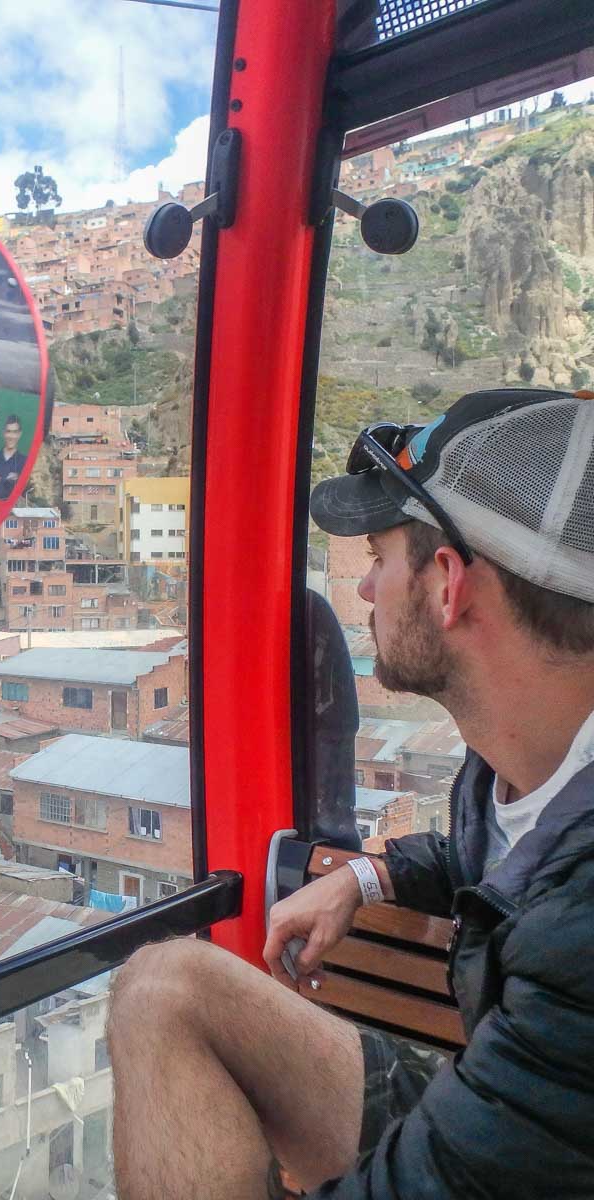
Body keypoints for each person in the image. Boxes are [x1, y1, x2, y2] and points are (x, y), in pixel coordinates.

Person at [107, 388, 594, 1199]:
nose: (366, 590)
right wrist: (363, 878)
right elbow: (488, 861)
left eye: (379, 558)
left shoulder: (582, 929)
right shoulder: (526, 765)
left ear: (447, 584)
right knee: (164, 987)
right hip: (496, 1114)